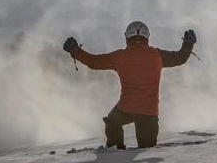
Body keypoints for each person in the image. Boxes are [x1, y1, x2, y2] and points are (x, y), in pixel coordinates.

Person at [64, 21, 196, 149]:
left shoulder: (121, 56)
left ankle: (115, 151)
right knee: (146, 150)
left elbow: (94, 62)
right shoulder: (158, 55)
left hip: (126, 109)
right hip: (150, 113)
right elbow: (181, 57)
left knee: (112, 122)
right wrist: (188, 43)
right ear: (147, 37)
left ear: (127, 37)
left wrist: (75, 50)